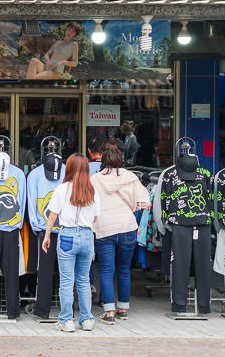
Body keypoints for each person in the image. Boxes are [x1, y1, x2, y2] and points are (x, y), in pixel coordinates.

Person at [91, 141, 151, 324]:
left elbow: (90, 204)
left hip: (104, 228)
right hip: (127, 227)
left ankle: (109, 312)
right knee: (124, 270)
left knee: (106, 271)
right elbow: (144, 201)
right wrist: (131, 208)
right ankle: (123, 309)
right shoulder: (130, 176)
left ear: (102, 157)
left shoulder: (95, 179)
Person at [42, 153, 101, 332]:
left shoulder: (62, 189)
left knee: (66, 281)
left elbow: (52, 215)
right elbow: (96, 217)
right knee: (83, 280)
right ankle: (87, 319)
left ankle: (67, 320)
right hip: (87, 236)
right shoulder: (92, 190)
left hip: (67, 235)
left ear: (69, 168)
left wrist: (46, 236)